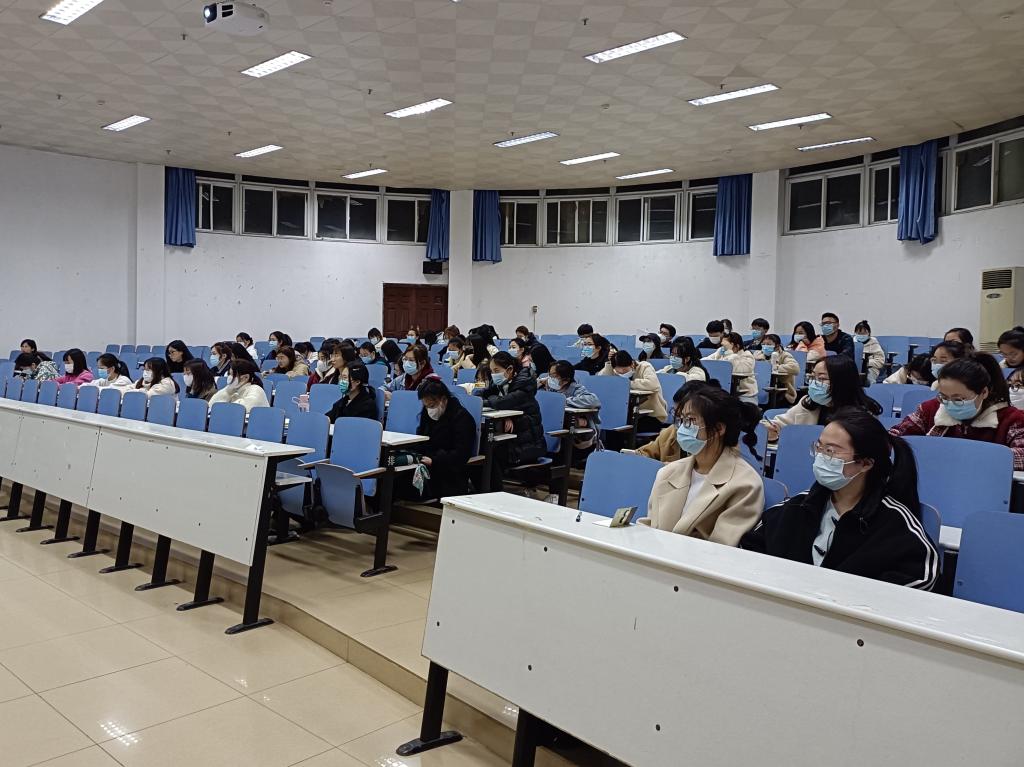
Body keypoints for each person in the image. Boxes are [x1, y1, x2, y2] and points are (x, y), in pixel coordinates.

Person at [742, 408, 938, 590]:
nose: (820, 457)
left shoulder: (894, 523)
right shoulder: (797, 506)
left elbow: (921, 577)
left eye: (831, 451)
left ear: (866, 464)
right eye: (819, 447)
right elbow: (751, 550)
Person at [639, 386, 764, 545]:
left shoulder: (746, 484)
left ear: (719, 429)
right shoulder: (667, 472)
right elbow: (651, 526)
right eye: (682, 420)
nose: (682, 428)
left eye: (691, 421)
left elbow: (722, 548)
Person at [891, 353, 1024, 470]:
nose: (949, 404)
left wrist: (963, 455)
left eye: (959, 399)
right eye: (944, 397)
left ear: (984, 392)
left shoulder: (1011, 419)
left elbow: (1021, 456)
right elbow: (895, 435)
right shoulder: (930, 409)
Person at [766, 356, 883, 441]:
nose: (814, 383)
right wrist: (771, 428)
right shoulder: (808, 402)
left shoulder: (863, 415)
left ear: (842, 382)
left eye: (821, 379)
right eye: (813, 377)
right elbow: (781, 424)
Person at [476, 352, 546, 484]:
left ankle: (492, 489)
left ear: (509, 369)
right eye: (491, 371)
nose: (493, 374)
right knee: (478, 444)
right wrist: (505, 415)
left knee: (488, 451)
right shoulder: (501, 384)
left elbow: (501, 403)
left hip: (528, 444)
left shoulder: (524, 387)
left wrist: (502, 408)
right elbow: (478, 395)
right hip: (512, 439)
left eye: (496, 370)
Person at [402, 379, 478, 498]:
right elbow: (422, 440)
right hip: (426, 463)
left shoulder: (462, 418)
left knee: (401, 485)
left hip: (448, 472)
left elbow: (461, 454)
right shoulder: (427, 414)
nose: (429, 410)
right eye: (426, 406)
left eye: (432, 406)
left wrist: (435, 461)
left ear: (443, 399)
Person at [635, 381, 712, 464]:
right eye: (677, 415)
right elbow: (645, 453)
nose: (682, 425)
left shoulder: (716, 448)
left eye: (689, 419)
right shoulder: (670, 433)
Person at [602, 350, 668, 431]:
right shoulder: (614, 371)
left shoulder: (645, 366)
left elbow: (653, 384)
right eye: (619, 372)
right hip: (626, 415)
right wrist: (609, 365)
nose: (622, 373)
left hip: (651, 415)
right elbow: (602, 381)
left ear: (632, 364)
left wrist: (627, 384)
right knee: (611, 426)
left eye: (625, 370)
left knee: (625, 428)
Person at [545, 361, 602, 453]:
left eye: (553, 376)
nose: (550, 378)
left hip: (575, 434)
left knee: (569, 427)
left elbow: (594, 401)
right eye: (549, 374)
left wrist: (562, 401)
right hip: (555, 425)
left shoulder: (576, 389)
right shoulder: (550, 388)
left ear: (566, 380)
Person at [704, 332, 757, 404]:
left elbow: (737, 370)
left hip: (745, 393)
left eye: (725, 346)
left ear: (737, 346)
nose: (723, 348)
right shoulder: (721, 351)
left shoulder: (747, 356)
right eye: (722, 345)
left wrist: (729, 352)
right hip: (724, 392)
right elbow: (706, 360)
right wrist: (719, 356)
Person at [755, 333, 800, 405]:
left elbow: (795, 368)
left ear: (777, 346)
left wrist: (775, 367)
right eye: (763, 344)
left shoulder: (785, 355)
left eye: (769, 344)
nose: (765, 346)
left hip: (781, 389)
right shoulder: (757, 354)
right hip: (761, 386)